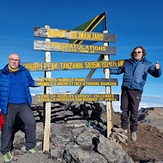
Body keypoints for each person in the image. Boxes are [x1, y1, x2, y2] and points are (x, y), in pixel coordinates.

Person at [110, 46, 162, 141]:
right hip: (125, 88)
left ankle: (133, 131)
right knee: (124, 108)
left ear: (143, 53)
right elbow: (118, 70)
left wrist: (158, 69)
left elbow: (156, 74)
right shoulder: (127, 63)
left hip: (136, 89)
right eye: (135, 52)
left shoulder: (146, 64)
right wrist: (108, 71)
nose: (136, 54)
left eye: (139, 52)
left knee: (134, 110)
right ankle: (124, 128)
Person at [0, 53, 38, 162]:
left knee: (31, 123)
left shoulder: (24, 71)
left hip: (23, 105)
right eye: (12, 59)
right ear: (8, 60)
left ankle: (30, 146)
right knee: (7, 128)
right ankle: (5, 150)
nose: (14, 61)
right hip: (8, 105)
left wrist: (42, 82)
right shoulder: (2, 73)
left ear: (19, 61)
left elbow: (31, 82)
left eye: (16, 60)